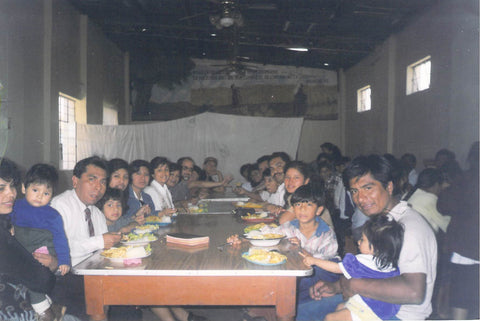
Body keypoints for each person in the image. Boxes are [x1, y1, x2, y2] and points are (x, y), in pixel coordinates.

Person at [297, 154, 437, 321]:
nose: (360, 199)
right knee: (300, 313)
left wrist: (355, 285)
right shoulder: (382, 220)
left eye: (368, 188)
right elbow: (374, 270)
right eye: (355, 191)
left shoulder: (410, 227)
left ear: (389, 187)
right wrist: (337, 286)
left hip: (397, 315)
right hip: (369, 302)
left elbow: (414, 292)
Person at [229, 184, 338, 304]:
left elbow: (326, 261)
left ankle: (291, 306)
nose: (302, 209)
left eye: (309, 205)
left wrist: (300, 249)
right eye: (298, 205)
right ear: (293, 208)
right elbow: (268, 235)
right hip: (299, 269)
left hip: (323, 271)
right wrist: (242, 239)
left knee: (295, 283)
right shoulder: (289, 227)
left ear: (318, 210)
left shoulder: (326, 233)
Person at [51, 156, 121, 319]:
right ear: (75, 181)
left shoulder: (96, 213)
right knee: (99, 299)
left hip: (91, 274)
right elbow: (58, 249)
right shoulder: (60, 205)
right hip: (64, 275)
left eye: (103, 182)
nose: (98, 187)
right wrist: (100, 241)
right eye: (92, 179)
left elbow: (103, 251)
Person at [302, 214, 404, 321]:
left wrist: (314, 261)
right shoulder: (390, 264)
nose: (358, 242)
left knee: (330, 318)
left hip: (369, 309)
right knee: (340, 307)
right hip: (382, 310)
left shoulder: (364, 260)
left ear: (376, 247)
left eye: (363, 240)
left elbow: (337, 268)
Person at [0, 158, 62, 321]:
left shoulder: (9, 220)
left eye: (12, 186)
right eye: (1, 188)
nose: (11, 193)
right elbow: (42, 281)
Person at [438, 141, 479, 320]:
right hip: (469, 243)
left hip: (467, 244)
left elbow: (444, 205)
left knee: (461, 294)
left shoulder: (466, 179)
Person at [11, 164, 70, 275]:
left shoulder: (53, 215)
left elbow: (60, 239)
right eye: (35, 190)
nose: (40, 196)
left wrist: (64, 261)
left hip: (41, 253)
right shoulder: (14, 206)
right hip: (20, 251)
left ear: (52, 195)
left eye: (46, 193)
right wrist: (9, 226)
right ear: (24, 188)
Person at [403, 168, 450, 234]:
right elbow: (447, 225)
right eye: (441, 188)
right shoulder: (430, 199)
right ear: (436, 185)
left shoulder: (408, 194)